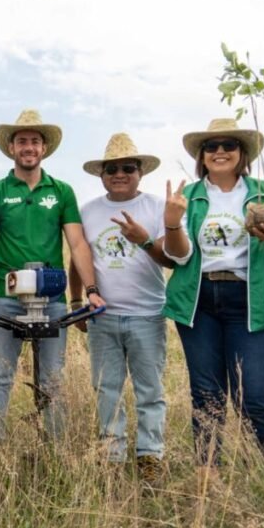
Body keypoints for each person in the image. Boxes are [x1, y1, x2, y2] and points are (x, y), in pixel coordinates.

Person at [0, 109, 105, 443]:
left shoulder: (62, 191)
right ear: (12, 147)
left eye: (35, 141)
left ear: (44, 149)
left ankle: (55, 450)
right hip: (7, 299)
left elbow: (78, 243)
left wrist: (92, 290)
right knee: (1, 375)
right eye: (22, 141)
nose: (28, 147)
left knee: (53, 378)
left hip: (52, 299)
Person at [163, 118, 264, 470]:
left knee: (251, 397)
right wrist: (172, 222)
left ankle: (263, 478)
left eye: (228, 145)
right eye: (211, 146)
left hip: (248, 299)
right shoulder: (187, 196)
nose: (220, 151)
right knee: (206, 397)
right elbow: (180, 256)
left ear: (243, 153)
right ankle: (209, 479)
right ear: (202, 156)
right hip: (198, 299)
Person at [71, 133, 173, 482]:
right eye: (112, 168)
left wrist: (142, 239)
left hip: (147, 313)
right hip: (103, 316)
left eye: (127, 167)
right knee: (107, 388)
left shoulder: (158, 207)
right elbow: (78, 257)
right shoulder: (89, 211)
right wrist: (76, 300)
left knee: (150, 390)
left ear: (139, 172)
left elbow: (169, 258)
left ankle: (150, 456)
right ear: (102, 174)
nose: (120, 173)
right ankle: (111, 457)